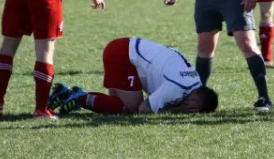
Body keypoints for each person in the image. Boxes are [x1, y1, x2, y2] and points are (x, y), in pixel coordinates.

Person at [48, 37, 219, 115]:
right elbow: (143, 110)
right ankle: (80, 98)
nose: (190, 110)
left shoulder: (194, 80)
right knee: (130, 109)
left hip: (126, 50)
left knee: (117, 107)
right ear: (195, 96)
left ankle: (66, 93)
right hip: (122, 54)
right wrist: (177, 109)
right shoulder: (177, 88)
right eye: (194, 107)